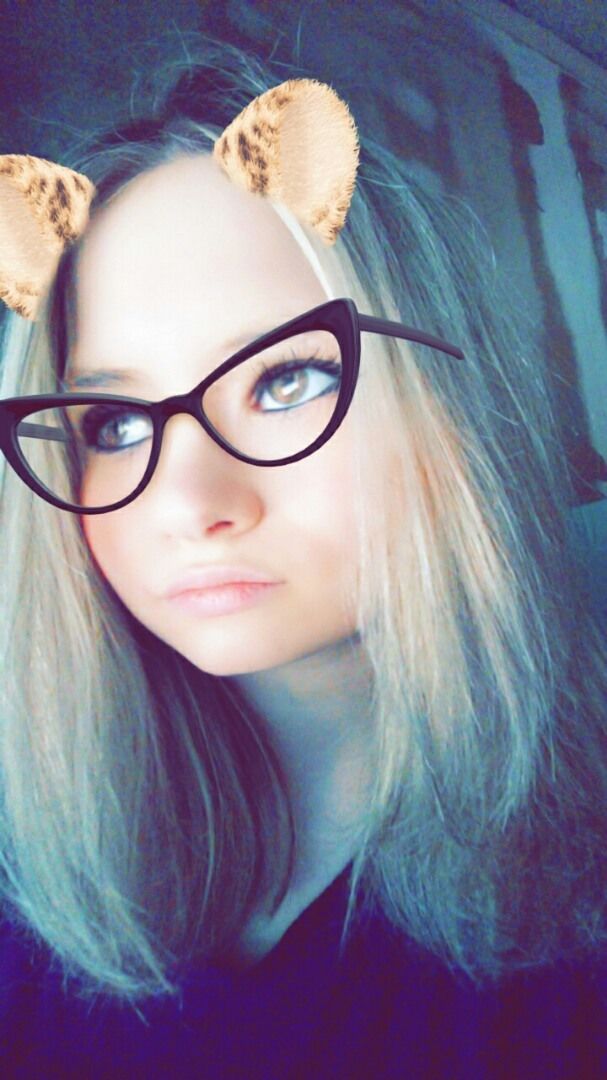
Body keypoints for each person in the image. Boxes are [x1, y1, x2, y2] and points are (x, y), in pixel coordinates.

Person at [0, 32, 606, 1079]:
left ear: (448, 401)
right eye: (113, 424)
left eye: (286, 381)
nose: (191, 505)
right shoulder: (33, 888)